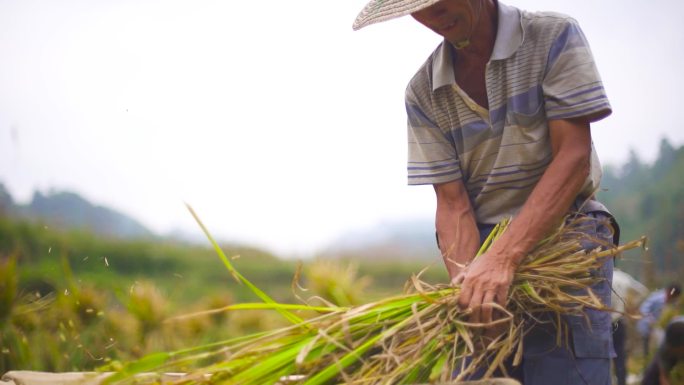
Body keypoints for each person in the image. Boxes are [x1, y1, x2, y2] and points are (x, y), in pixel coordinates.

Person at [353, 0, 619, 384]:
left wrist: (505, 258)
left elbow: (572, 157)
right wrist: (467, 282)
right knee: (478, 372)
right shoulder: (424, 92)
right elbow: (452, 202)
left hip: (567, 233)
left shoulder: (552, 36)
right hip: (480, 246)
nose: (432, 15)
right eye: (417, 7)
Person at [612, 269, 650, 385]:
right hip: (619, 321)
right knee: (620, 355)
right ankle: (621, 381)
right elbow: (643, 291)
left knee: (602, 356)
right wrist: (632, 304)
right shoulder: (624, 277)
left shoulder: (601, 274)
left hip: (601, 324)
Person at [639, 283, 683, 358]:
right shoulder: (657, 297)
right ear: (668, 292)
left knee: (659, 345)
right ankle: (646, 363)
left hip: (658, 327)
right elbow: (643, 309)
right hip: (647, 325)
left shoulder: (672, 302)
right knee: (646, 347)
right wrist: (650, 320)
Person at [641, 317, 684, 385]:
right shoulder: (666, 349)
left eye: (678, 350)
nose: (675, 352)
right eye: (673, 350)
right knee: (651, 375)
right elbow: (663, 376)